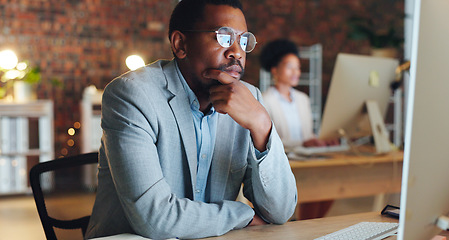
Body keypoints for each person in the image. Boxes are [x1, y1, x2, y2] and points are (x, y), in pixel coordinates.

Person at [85, 0, 297, 239]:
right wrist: (243, 214)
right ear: (180, 44)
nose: (237, 52)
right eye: (224, 38)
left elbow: (281, 211)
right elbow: (155, 219)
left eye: (243, 40)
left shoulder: (249, 100)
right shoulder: (132, 95)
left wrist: (261, 124)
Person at [260, 39, 333, 220]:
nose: (296, 72)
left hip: (309, 160)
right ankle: (307, 226)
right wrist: (303, 142)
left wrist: (321, 140)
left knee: (331, 183)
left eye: (298, 67)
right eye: (290, 67)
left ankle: (310, 226)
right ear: (275, 70)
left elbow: (308, 135)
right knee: (316, 186)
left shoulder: (303, 99)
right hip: (286, 165)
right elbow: (269, 141)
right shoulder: (265, 100)